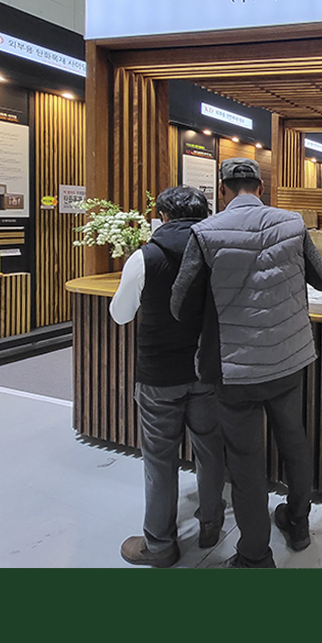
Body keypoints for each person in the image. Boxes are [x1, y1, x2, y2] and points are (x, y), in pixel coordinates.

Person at [171, 158, 322, 568]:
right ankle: (298, 523)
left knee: (245, 461)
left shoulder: (205, 232)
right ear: (261, 187)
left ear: (222, 189)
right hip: (289, 359)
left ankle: (255, 555)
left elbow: (180, 304)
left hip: (235, 368)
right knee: (294, 441)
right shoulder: (292, 224)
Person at [109, 185, 226, 568]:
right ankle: (211, 523)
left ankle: (159, 544)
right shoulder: (217, 252)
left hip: (159, 375)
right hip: (206, 370)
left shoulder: (145, 256)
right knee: (210, 449)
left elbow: (121, 315)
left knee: (159, 460)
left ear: (162, 216)